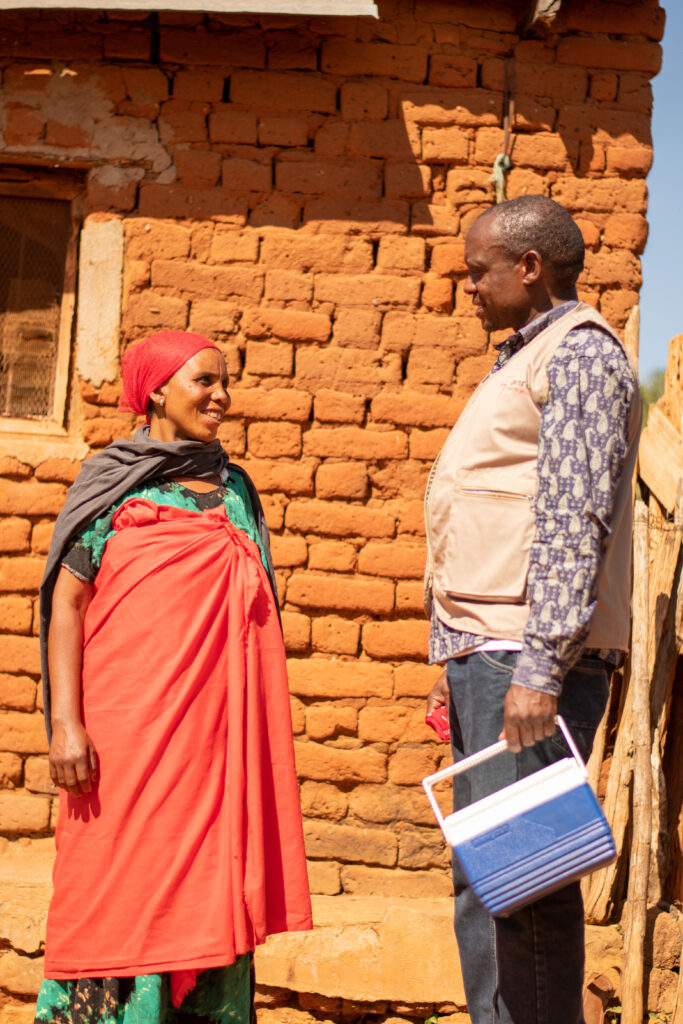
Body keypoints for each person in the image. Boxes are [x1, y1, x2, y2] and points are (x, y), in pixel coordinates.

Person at [36, 331, 312, 1024]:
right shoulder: (110, 485)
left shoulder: (235, 489)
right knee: (117, 880)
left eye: (226, 382)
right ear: (156, 390)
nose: (220, 396)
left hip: (215, 747)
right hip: (124, 737)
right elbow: (66, 603)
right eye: (204, 381)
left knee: (212, 885)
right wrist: (66, 724)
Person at [423, 196, 641, 1024]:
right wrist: (453, 660)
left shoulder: (579, 357)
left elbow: (571, 520)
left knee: (528, 880)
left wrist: (541, 666)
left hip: (525, 657)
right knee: (490, 876)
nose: (467, 285)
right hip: (490, 652)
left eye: (478, 270)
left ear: (528, 267)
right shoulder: (526, 357)